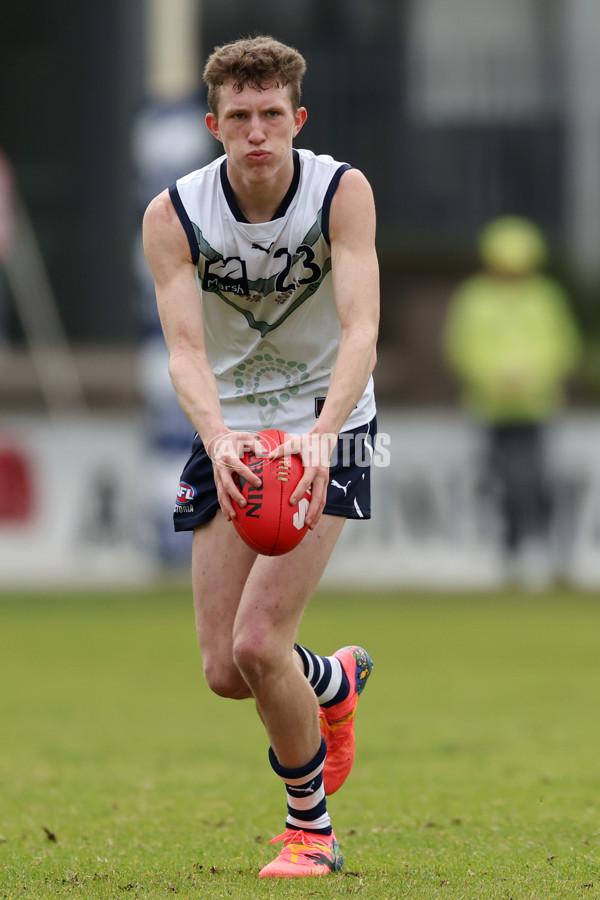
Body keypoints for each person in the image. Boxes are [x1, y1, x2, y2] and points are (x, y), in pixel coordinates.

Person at [142, 36, 379, 879]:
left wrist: (322, 435)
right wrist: (218, 438)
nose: (255, 132)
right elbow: (183, 352)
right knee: (224, 671)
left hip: (329, 423)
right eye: (237, 117)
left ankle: (310, 832)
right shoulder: (173, 214)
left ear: (297, 118)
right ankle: (331, 681)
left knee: (256, 642)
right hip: (232, 430)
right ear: (213, 125)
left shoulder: (341, 192)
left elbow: (361, 329)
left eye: (270, 115)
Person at [444, 216, 581, 583]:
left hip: (537, 408)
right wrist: (494, 377)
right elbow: (463, 347)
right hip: (491, 410)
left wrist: (533, 375)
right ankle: (512, 554)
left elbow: (562, 345)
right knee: (501, 483)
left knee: (539, 481)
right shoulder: (475, 297)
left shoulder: (545, 297)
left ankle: (551, 552)